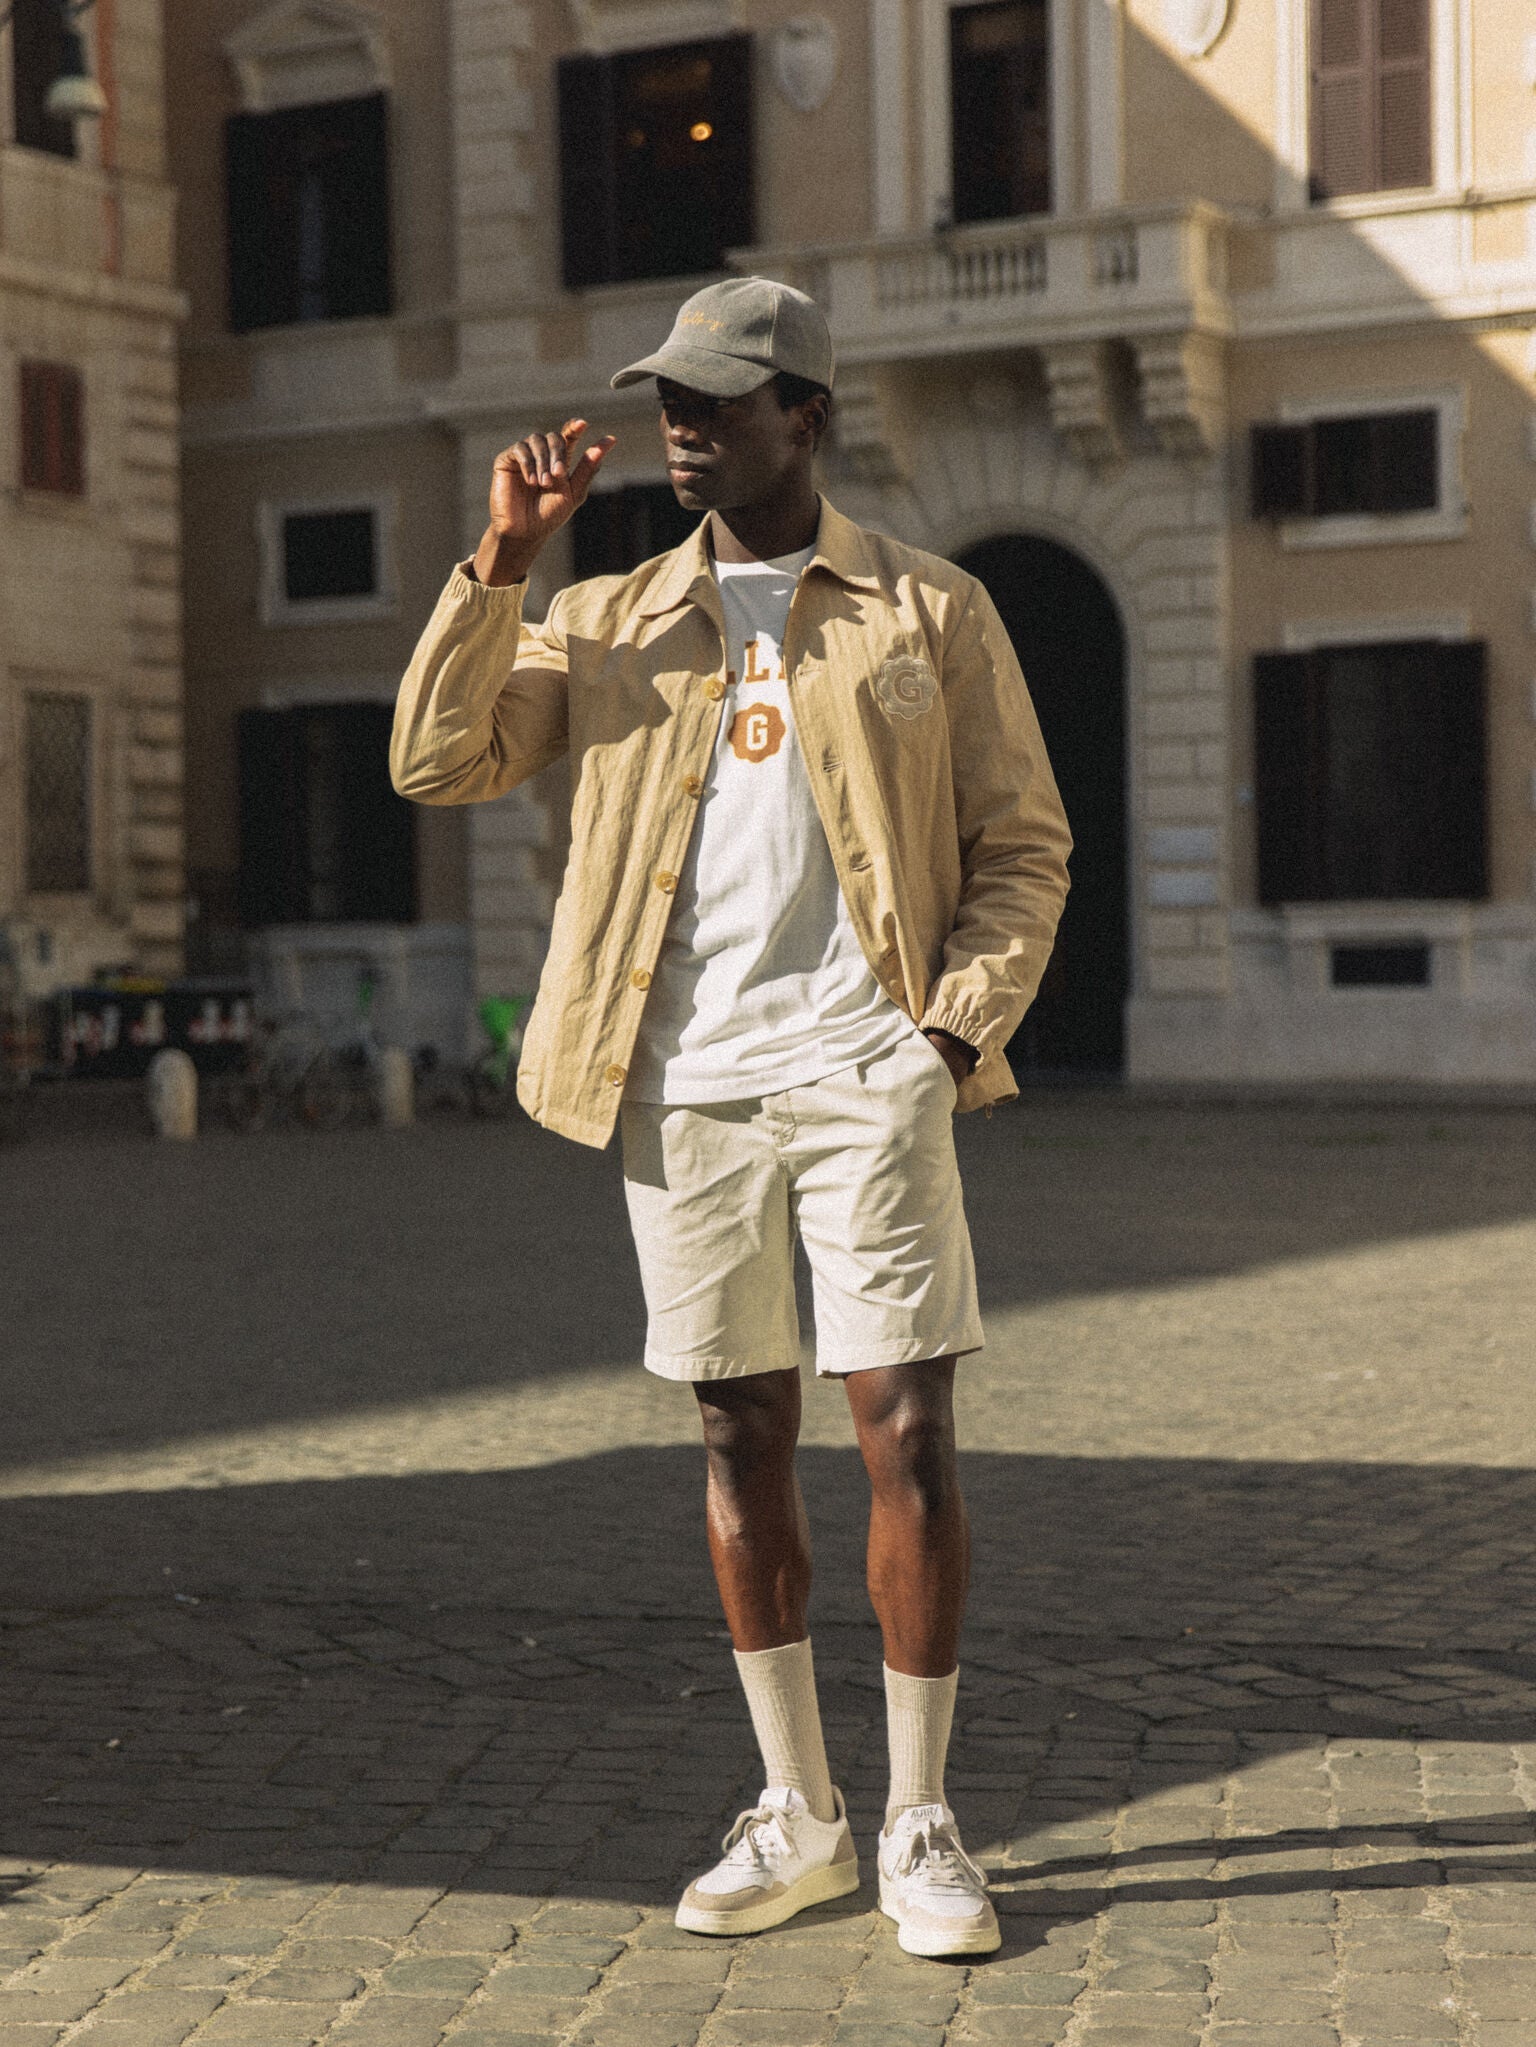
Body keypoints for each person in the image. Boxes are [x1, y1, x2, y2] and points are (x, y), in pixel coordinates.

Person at [391, 276, 1071, 1957]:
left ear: (806, 416)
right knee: (734, 1434)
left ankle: (921, 1819)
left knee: (908, 1428)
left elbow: (1024, 846)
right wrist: (503, 561)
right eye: (671, 401)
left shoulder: (929, 610)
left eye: (719, 401)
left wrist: (943, 1036)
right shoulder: (604, 616)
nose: (683, 427)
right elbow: (437, 761)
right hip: (682, 1083)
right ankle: (802, 1811)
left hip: (868, 1071)